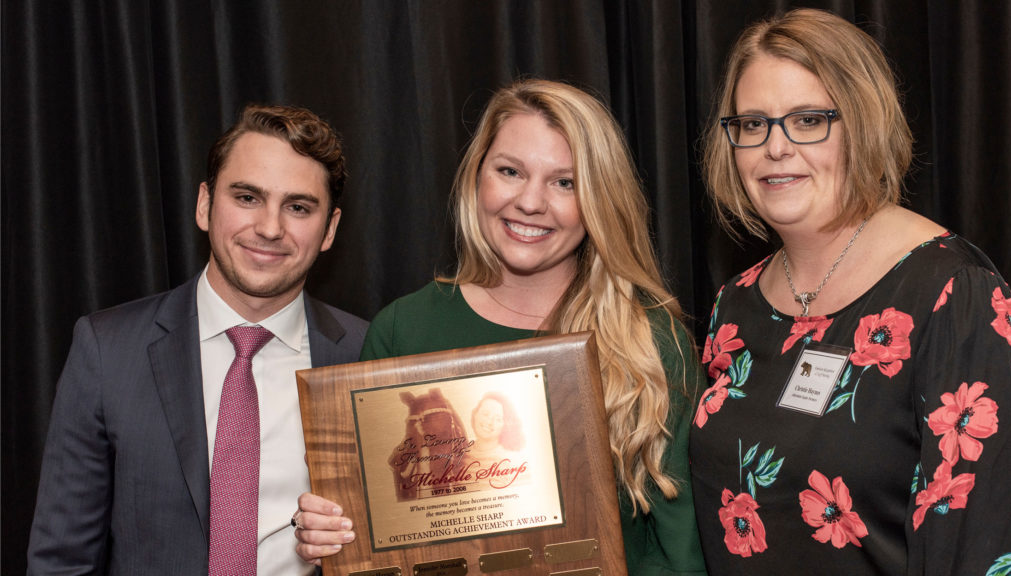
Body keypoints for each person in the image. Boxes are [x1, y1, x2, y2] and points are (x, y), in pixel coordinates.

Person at [297, 79, 707, 575]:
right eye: (510, 171)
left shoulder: (649, 340)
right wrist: (333, 531)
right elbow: (378, 536)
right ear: (477, 177)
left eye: (565, 182)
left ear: (600, 198)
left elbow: (684, 546)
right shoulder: (403, 331)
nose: (531, 202)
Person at [691, 8, 1011, 575]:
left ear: (863, 124)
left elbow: (983, 545)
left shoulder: (952, 295)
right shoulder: (735, 306)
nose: (775, 148)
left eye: (808, 119)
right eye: (752, 124)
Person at [27, 104, 367, 575]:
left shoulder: (364, 357)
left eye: (298, 207)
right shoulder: (108, 351)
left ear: (329, 228)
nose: (270, 228)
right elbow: (61, 561)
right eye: (247, 197)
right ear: (205, 205)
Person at [469, 391, 524, 463]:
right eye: (485, 414)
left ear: (506, 425)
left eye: (498, 419)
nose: (489, 422)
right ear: (475, 414)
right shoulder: (460, 452)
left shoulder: (511, 459)